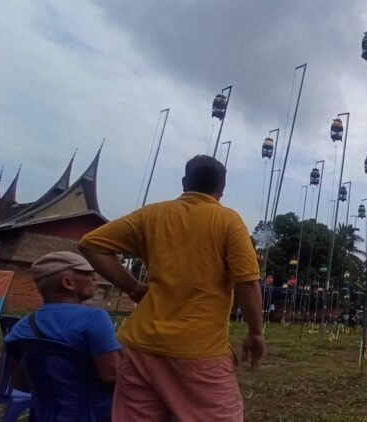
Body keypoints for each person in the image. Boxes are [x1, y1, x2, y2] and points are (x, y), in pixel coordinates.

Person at [79, 155, 265, 421]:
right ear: (221, 189)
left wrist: (132, 287)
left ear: (184, 182)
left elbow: (90, 244)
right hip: (200, 351)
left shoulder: (151, 215)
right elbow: (247, 282)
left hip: (140, 348)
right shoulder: (228, 221)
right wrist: (256, 332)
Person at [5, 251, 120, 421]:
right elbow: (112, 376)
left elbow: (19, 383)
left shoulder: (22, 326)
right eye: (88, 274)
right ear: (68, 283)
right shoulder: (95, 317)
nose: (95, 279)